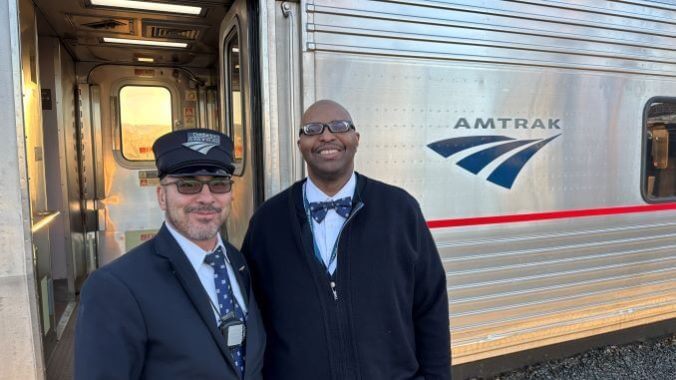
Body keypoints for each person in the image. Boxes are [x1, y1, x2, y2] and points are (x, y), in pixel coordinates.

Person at [242, 100, 451, 379]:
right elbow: (253, 316)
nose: (327, 136)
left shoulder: (400, 209)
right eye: (312, 129)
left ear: (356, 139)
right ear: (300, 143)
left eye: (339, 126)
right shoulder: (267, 221)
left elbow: (430, 306)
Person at [75, 129, 265, 380]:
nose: (206, 198)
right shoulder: (114, 288)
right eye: (188, 184)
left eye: (219, 183)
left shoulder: (239, 263)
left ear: (230, 193)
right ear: (162, 196)